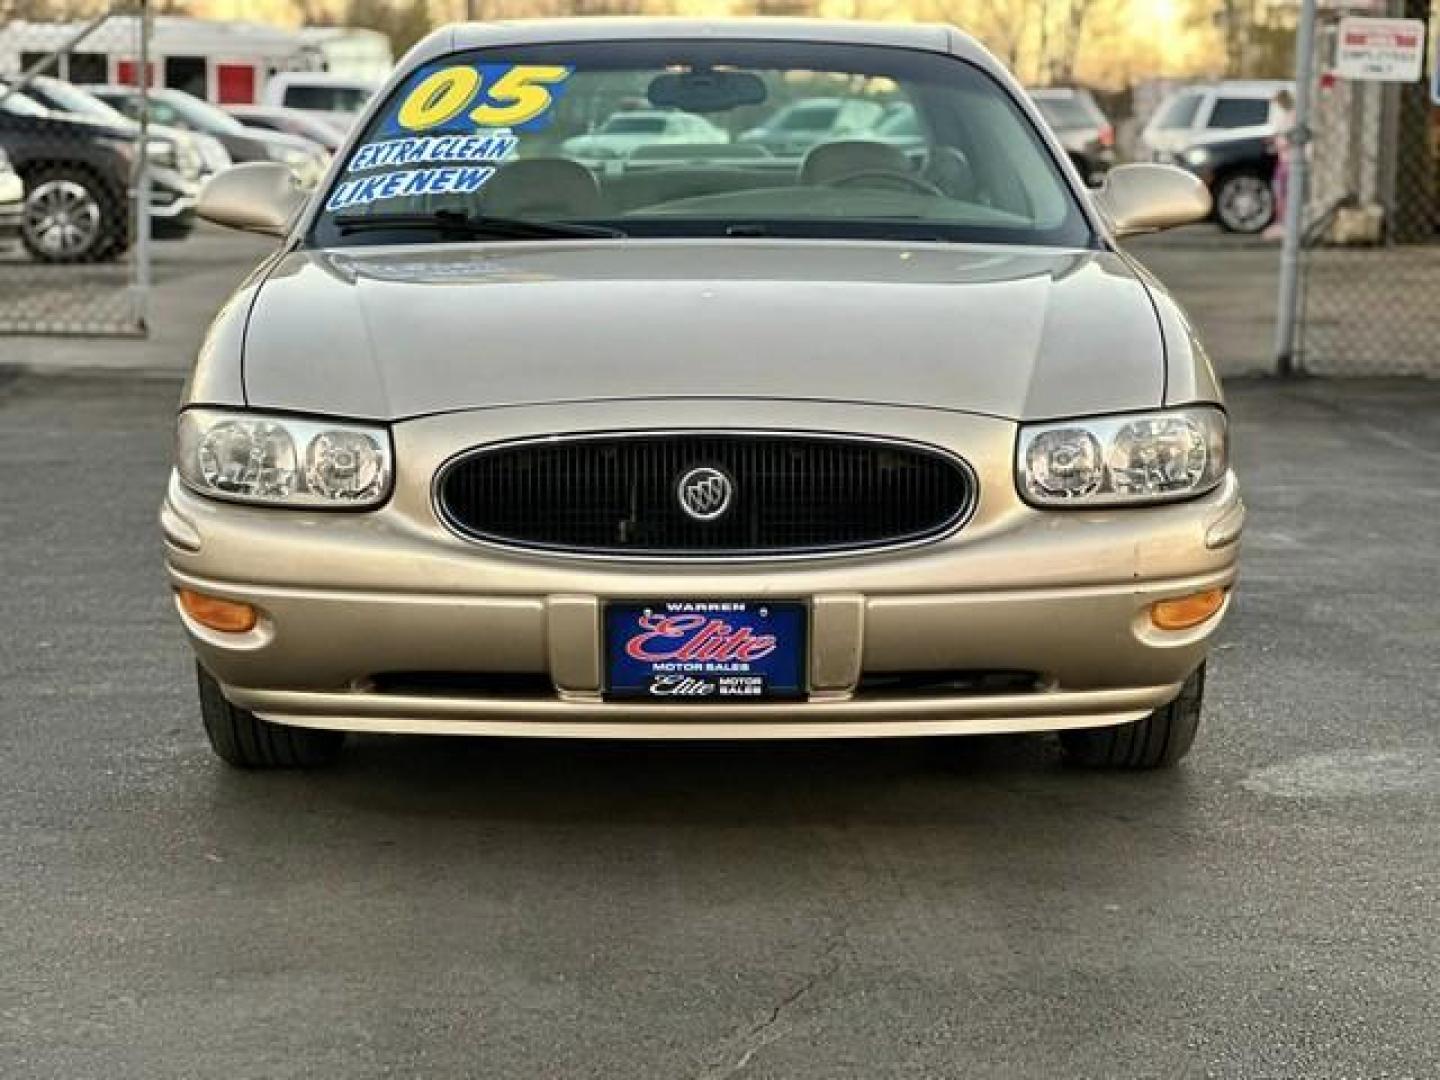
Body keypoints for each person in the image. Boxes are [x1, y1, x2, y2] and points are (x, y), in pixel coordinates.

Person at [1263, 88, 1295, 240]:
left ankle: (1285, 224)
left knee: (1283, 192)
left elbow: (1287, 139)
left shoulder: (1292, 116)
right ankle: (1282, 222)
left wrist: (1278, 141)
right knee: (1280, 190)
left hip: (1289, 161)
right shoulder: (1286, 116)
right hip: (1284, 160)